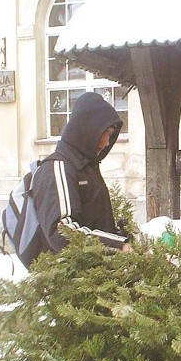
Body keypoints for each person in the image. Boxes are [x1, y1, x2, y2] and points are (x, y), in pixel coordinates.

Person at [33, 92, 132, 258]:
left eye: (110, 135)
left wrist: (121, 238)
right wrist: (117, 245)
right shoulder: (57, 168)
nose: (107, 142)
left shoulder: (86, 168)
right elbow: (62, 231)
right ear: (89, 130)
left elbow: (95, 224)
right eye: (106, 133)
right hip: (68, 277)